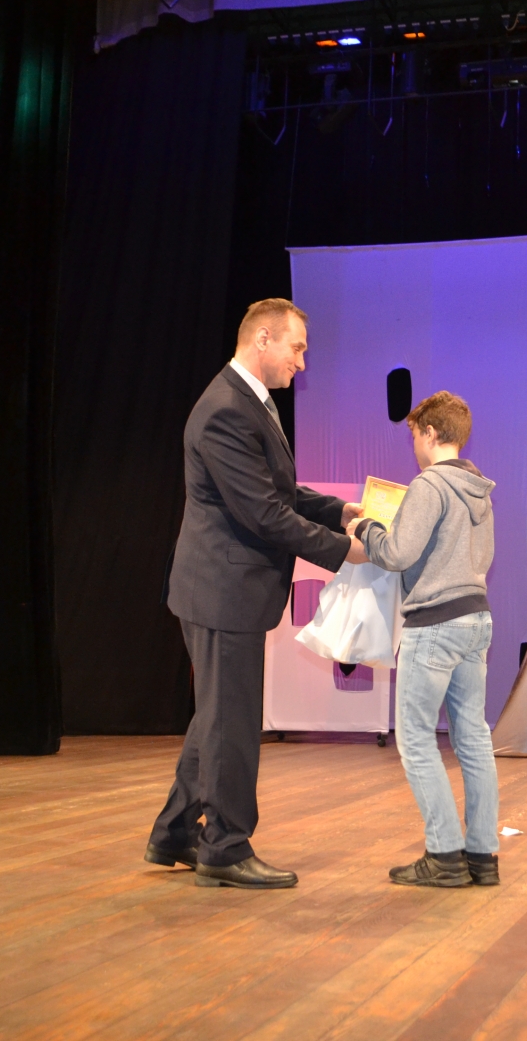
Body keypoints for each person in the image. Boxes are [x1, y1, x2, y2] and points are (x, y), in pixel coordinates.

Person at [146, 298, 368, 890]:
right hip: (222, 589)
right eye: (297, 348)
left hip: (226, 587)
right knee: (233, 723)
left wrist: (338, 510)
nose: (302, 362)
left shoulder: (248, 401)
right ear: (263, 339)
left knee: (217, 716)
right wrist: (344, 550)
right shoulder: (225, 409)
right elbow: (264, 514)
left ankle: (173, 832)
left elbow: (278, 491)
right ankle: (225, 846)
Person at [353, 391, 500, 888]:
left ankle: (444, 855)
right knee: (473, 737)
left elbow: (397, 554)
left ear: (430, 433)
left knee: (415, 737)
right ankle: (482, 856)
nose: (414, 443)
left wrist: (365, 527)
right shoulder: (479, 490)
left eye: (415, 434)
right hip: (476, 619)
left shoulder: (429, 484)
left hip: (435, 623)